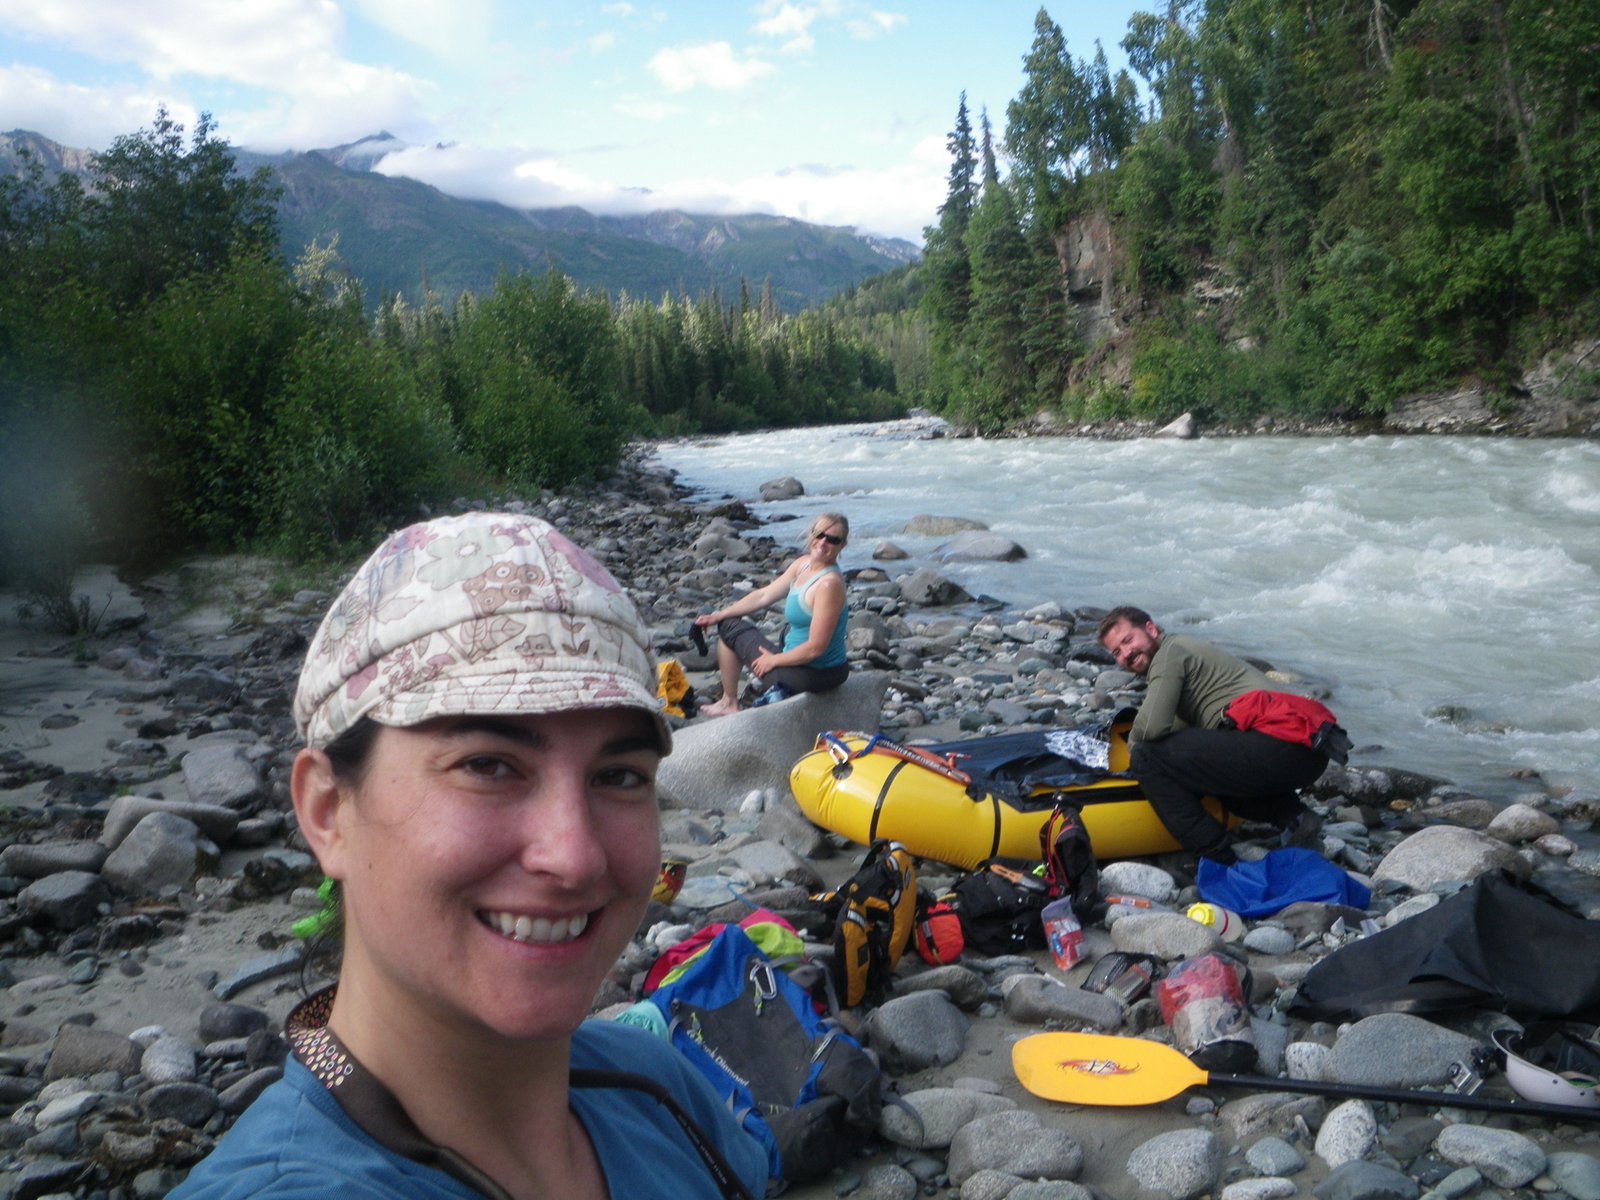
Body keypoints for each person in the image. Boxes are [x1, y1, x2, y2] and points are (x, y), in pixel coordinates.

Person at [170, 513, 766, 1200]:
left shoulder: (661, 1090)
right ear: (328, 811)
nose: (573, 856)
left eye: (618, 776)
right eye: (488, 765)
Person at [1097, 605, 1344, 866]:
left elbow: (1150, 730)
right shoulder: (1182, 651)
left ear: (1150, 628)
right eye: (1117, 652)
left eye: (1128, 640)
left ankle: (1217, 858)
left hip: (1284, 744)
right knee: (1199, 770)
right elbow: (1178, 734)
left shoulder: (1170, 654)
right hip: (1306, 753)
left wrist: (1134, 753)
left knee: (1147, 758)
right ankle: (1296, 818)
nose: (1126, 653)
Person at [694, 512, 851, 717]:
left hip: (815, 674)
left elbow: (815, 648)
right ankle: (730, 700)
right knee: (726, 620)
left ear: (842, 545)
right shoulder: (802, 565)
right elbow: (764, 595)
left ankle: (728, 702)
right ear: (811, 533)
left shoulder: (828, 584)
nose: (823, 543)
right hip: (799, 661)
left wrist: (774, 661)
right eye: (820, 535)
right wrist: (718, 615)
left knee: (729, 627)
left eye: (832, 540)